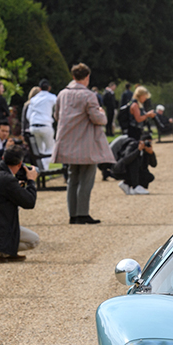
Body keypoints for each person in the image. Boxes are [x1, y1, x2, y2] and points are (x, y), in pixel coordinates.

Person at [51, 63, 115, 225]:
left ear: (73, 77)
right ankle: (82, 213)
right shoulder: (88, 95)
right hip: (85, 142)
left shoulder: (62, 94)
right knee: (87, 178)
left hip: (68, 141)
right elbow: (96, 118)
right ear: (87, 77)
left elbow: (57, 116)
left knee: (72, 178)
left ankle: (73, 214)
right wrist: (102, 114)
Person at [25, 79, 58, 169]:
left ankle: (40, 169)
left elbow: (28, 115)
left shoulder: (34, 99)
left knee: (40, 149)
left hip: (33, 126)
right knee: (50, 148)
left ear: (39, 89)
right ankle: (43, 168)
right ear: (49, 88)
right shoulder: (52, 97)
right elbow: (58, 108)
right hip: (45, 125)